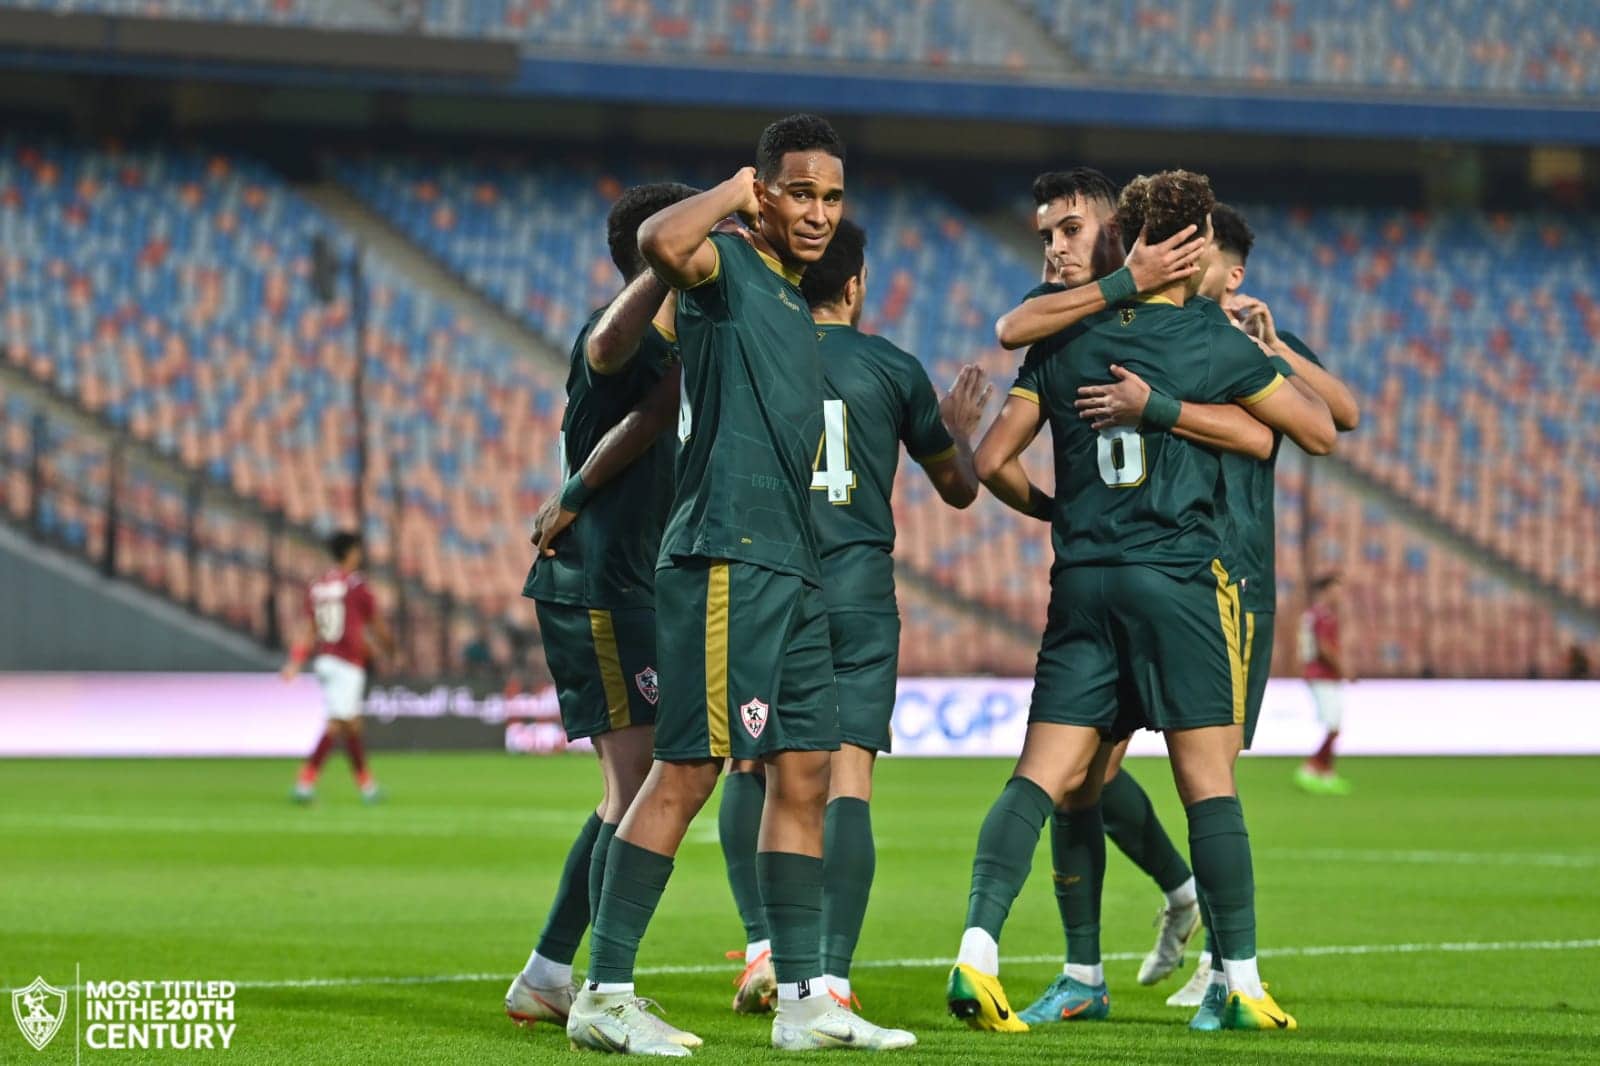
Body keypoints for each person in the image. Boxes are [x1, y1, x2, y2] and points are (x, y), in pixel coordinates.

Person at [949, 169, 1334, 1037]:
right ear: (1190, 251)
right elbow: (1314, 429)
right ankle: (1239, 981)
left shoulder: (1063, 336)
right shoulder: (1207, 338)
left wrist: (1060, 513)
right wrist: (1173, 405)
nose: (1055, 247)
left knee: (1043, 780)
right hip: (1177, 582)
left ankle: (979, 951)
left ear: (1126, 238)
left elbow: (993, 460)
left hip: (1083, 581)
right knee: (1208, 784)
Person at [566, 114, 912, 1055]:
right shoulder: (726, 266)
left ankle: (803, 1003)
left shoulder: (793, 299)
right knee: (690, 767)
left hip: (792, 566)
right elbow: (660, 241)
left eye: (831, 197)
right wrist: (731, 195)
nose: (819, 212)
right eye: (800, 193)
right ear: (765, 194)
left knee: (805, 771)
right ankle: (604, 992)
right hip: (727, 552)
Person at [1068, 200, 1361, 1024]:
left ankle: (1224, 963)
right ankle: (1182, 891)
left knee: (1212, 774)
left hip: (1235, 578)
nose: (1177, 261)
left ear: (1231, 273)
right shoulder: (1148, 335)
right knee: (1088, 772)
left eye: (1194, 253)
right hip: (1152, 573)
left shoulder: (1250, 346)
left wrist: (1276, 352)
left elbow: (1341, 417)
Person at [715, 219, 988, 1016]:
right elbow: (959, 488)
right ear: (857, 283)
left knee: (749, 765)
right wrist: (956, 433)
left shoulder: (756, 352)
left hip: (771, 581)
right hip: (859, 589)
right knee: (850, 778)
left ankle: (764, 946)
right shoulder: (893, 368)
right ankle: (831, 975)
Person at [505, 182, 698, 1033]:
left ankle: (550, 974)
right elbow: (616, 357)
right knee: (644, 783)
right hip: (598, 586)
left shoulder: (678, 352)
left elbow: (656, 419)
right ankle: (587, 985)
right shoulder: (620, 335)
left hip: (630, 585)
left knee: (635, 785)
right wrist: (577, 491)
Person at [281, 530, 394, 804]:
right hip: (346, 662)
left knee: (351, 725)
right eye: (357, 550)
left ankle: (367, 787)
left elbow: (310, 629)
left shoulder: (319, 585)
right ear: (351, 552)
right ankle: (305, 783)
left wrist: (296, 661)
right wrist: (390, 648)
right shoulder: (355, 585)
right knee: (336, 725)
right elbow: (375, 623)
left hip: (325, 660)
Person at [1298, 572, 1355, 794]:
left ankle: (1325, 773)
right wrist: (1343, 669)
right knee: (1333, 726)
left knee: (1335, 726)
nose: (1339, 595)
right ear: (1325, 591)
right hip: (1322, 675)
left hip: (1322, 676)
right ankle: (1311, 769)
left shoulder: (1315, 615)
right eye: (1335, 590)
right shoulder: (1323, 617)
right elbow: (1323, 648)